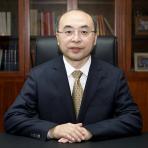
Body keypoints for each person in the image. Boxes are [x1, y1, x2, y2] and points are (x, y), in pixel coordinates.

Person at [4, 10, 142, 143]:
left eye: (84, 32)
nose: (76, 39)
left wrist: (90, 131)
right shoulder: (38, 75)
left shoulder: (114, 76)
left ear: (94, 39)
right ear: (58, 38)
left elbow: (133, 119)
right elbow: (13, 118)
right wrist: (53, 130)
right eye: (68, 31)